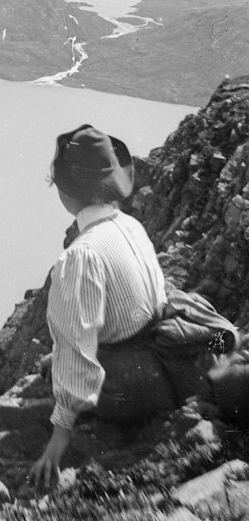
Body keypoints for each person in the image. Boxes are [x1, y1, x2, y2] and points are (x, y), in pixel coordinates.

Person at [29, 124, 177, 493]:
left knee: (60, 369)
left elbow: (76, 349)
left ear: (66, 193)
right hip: (162, 362)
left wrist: (59, 437)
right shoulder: (131, 225)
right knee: (58, 365)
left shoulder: (81, 256)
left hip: (132, 386)